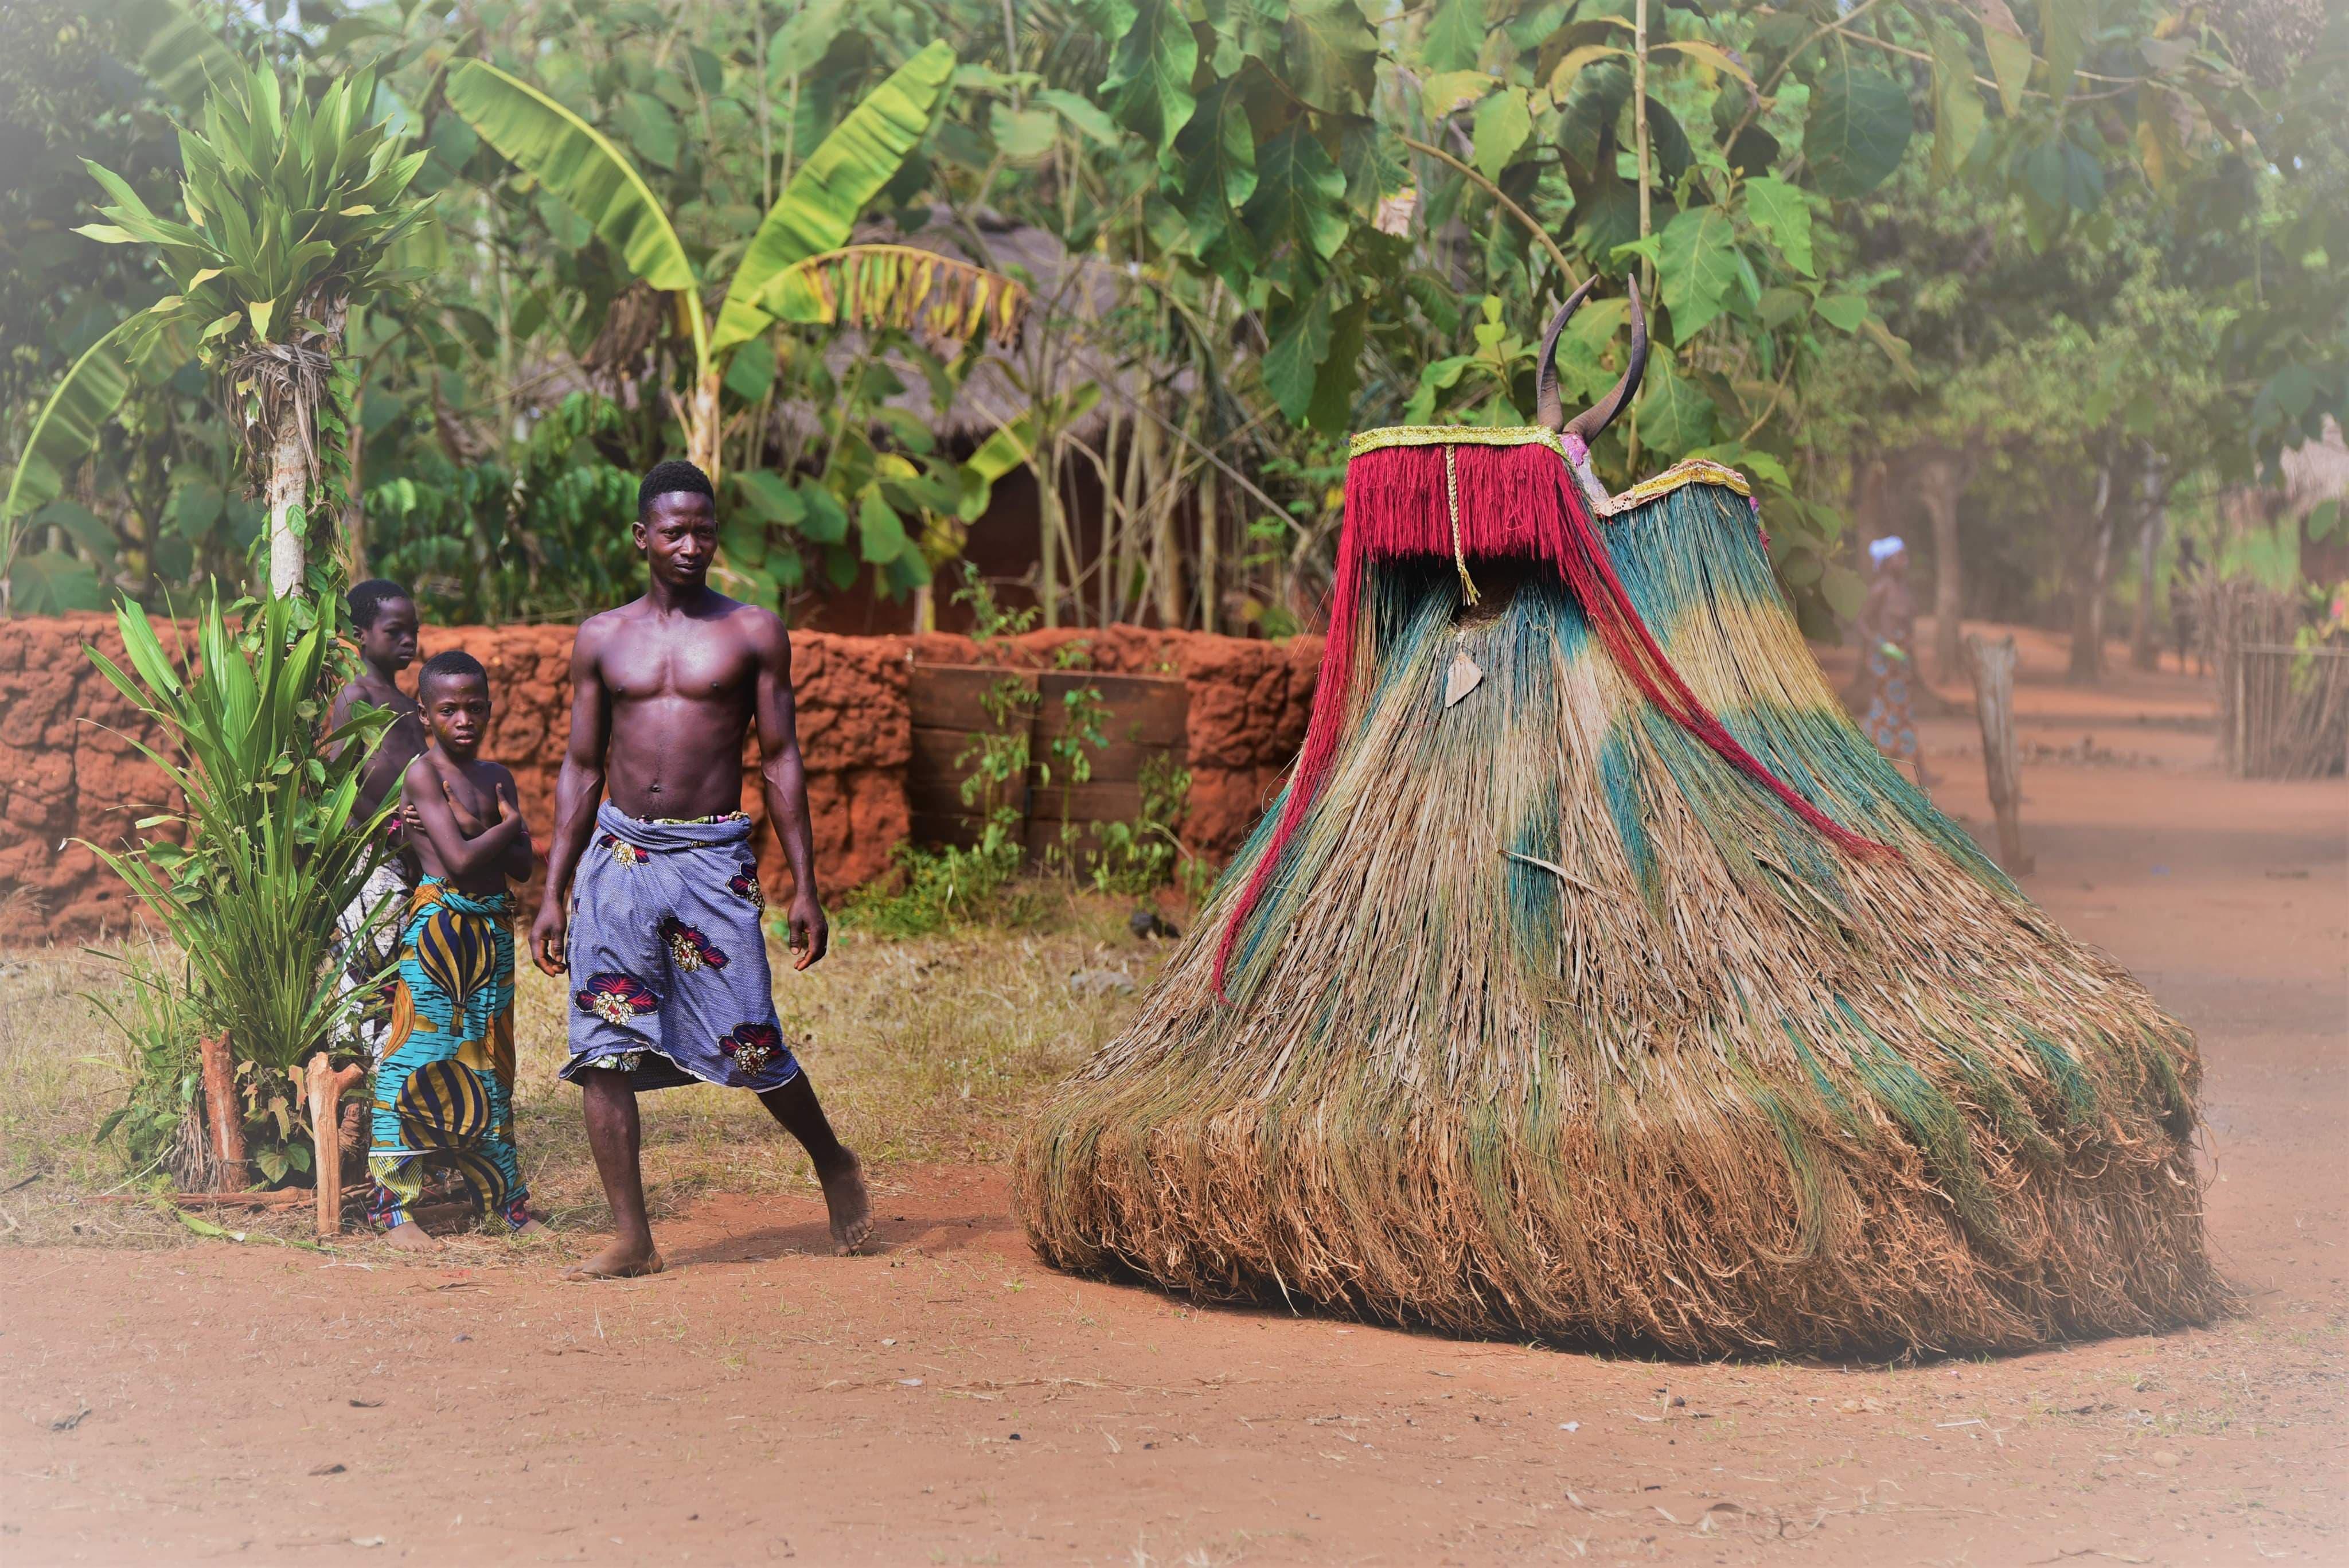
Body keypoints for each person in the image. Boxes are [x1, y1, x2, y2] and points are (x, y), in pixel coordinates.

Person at [531, 459, 871, 1280]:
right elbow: (579, 766)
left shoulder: (751, 632)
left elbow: (782, 760)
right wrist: (553, 890)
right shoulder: (603, 637)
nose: (691, 545)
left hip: (713, 857)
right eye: (674, 531)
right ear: (641, 537)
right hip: (619, 854)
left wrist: (805, 886)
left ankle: (831, 1159)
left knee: (752, 1041)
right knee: (602, 1044)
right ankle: (632, 1237)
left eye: (705, 530)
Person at [369, 650, 542, 1252]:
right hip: (442, 929)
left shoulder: (497, 775)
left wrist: (479, 821)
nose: (463, 718)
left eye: (474, 706)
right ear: (425, 713)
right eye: (449, 708)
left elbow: (523, 867)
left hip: (491, 931)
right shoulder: (423, 773)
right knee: (415, 1056)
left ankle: (503, 1201)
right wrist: (505, 823)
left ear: (490, 708)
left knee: (489, 1064)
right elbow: (467, 862)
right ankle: (393, 1207)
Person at [329, 579, 428, 1063]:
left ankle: (398, 1083)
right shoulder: (356, 698)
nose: (410, 641)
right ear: (361, 634)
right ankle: (358, 1089)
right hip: (372, 862)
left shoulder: (413, 709)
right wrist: (390, 835)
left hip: (416, 860)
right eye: (396, 631)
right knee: (369, 972)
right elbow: (340, 782)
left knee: (407, 973)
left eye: (414, 631)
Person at [1857, 536, 1935, 788]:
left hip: (1901, 663)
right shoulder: (1881, 589)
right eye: (1900, 557)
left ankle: (1886, 767)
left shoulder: (1904, 592)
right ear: (1888, 563)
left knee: (1896, 714)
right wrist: (1882, 645)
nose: (1905, 562)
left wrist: (1908, 651)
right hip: (1885, 662)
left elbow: (1908, 626)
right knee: (1891, 714)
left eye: (1905, 556)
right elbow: (1862, 622)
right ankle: (1909, 770)